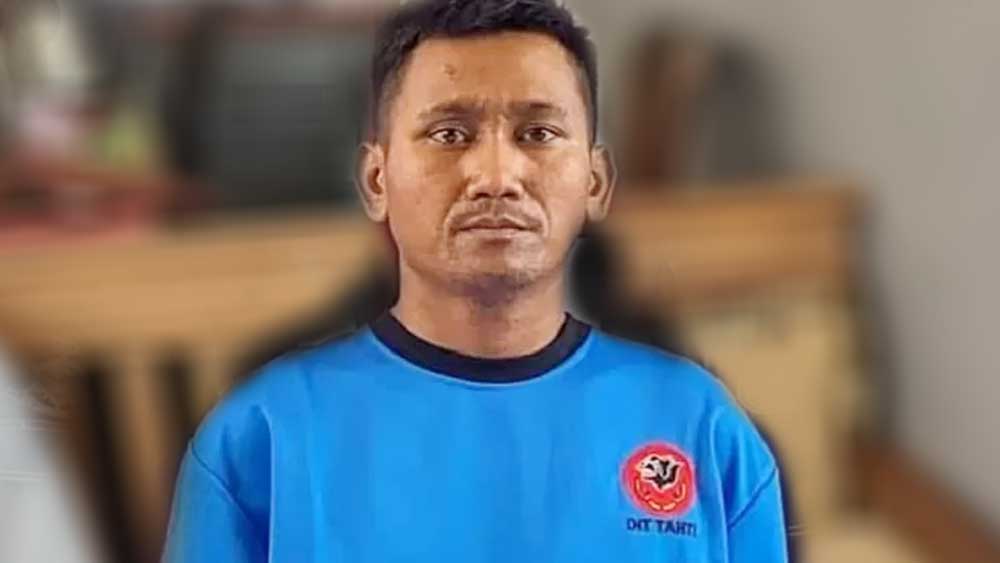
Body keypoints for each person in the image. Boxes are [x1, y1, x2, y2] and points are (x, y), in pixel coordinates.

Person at [163, 1, 788, 561]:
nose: (496, 176)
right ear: (377, 181)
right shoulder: (263, 435)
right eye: (450, 134)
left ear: (595, 182)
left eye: (537, 134)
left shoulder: (701, 425)